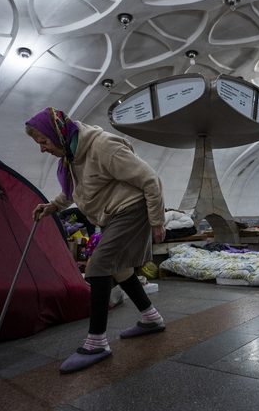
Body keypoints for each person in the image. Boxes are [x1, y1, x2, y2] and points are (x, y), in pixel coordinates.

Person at [25, 107, 166, 374]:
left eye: (43, 141)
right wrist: (52, 206)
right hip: (110, 215)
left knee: (98, 266)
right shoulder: (72, 155)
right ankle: (151, 318)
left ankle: (97, 343)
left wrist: (157, 220)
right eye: (39, 144)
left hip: (132, 209)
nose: (42, 149)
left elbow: (150, 179)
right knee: (121, 269)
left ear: (58, 132)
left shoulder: (103, 147)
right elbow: (76, 190)